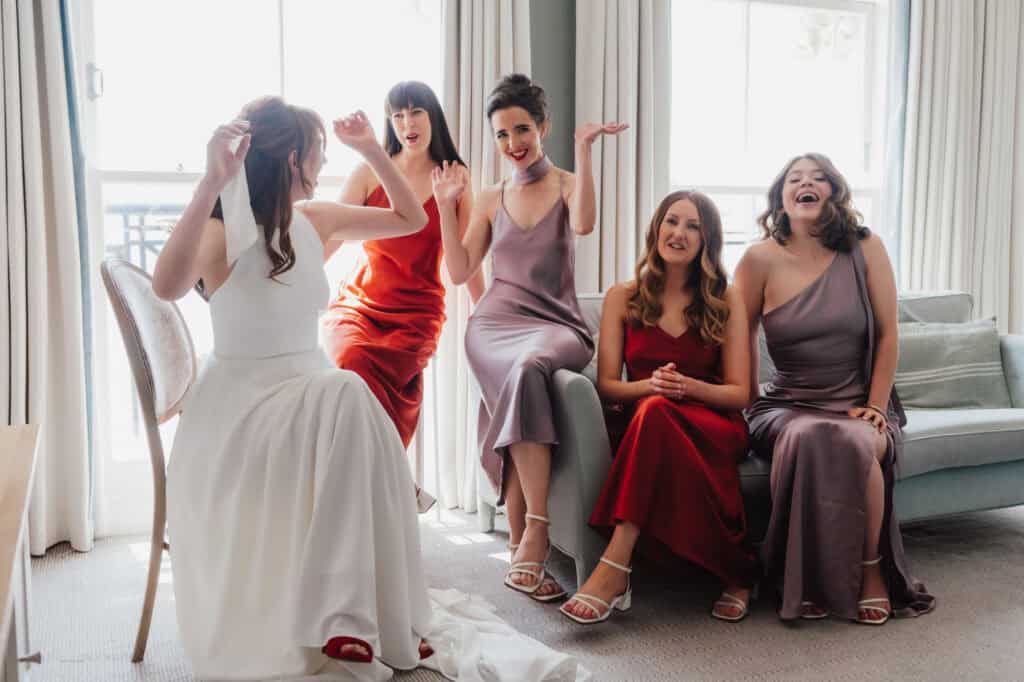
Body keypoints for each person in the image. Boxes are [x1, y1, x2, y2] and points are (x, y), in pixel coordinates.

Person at [153, 96, 436, 678]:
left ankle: (357, 617)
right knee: (350, 394)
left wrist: (368, 152)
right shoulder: (222, 231)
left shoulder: (316, 221)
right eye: (319, 153)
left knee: (348, 395)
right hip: (241, 406)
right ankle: (362, 616)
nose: (323, 162)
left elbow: (413, 220)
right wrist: (211, 181)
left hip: (308, 391)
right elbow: (165, 286)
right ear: (290, 160)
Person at [431, 73, 627, 600]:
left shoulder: (565, 183)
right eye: (501, 134)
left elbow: (584, 224)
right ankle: (527, 543)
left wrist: (584, 152)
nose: (513, 143)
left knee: (526, 372)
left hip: (557, 324)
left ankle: (531, 533)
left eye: (522, 129)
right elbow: (458, 270)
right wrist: (448, 206)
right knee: (521, 378)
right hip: (494, 326)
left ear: (543, 127)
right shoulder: (491, 197)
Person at [733, 153, 936, 624]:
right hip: (785, 404)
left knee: (856, 438)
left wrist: (876, 406)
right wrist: (737, 408)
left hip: (856, 401)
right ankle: (799, 579)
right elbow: (737, 339)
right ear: (780, 198)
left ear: (834, 192)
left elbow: (888, 334)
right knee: (807, 434)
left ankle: (870, 572)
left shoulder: (865, 248)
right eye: (795, 179)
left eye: (819, 178)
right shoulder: (758, 258)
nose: (807, 184)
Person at [559, 190, 757, 624]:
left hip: (713, 423)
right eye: (672, 221)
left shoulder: (728, 299)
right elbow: (609, 388)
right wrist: (651, 387)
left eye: (693, 226)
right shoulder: (622, 297)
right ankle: (733, 572)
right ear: (656, 229)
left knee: (657, 412)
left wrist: (686, 388)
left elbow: (741, 393)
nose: (679, 233)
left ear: (708, 241)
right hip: (645, 424)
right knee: (653, 412)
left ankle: (613, 568)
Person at [323, 81, 485, 457]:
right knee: (351, 359)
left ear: (433, 118)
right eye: (397, 115)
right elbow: (328, 236)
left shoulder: (456, 176)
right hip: (360, 304)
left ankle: (379, 471)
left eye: (416, 112)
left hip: (416, 313)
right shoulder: (368, 173)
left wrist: (484, 309)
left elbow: (465, 256)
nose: (406, 123)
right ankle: (383, 471)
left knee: (373, 370)